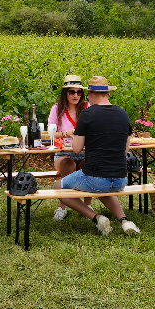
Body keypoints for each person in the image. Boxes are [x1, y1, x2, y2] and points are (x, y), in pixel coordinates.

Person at [52, 76, 140, 236]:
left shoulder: (87, 113)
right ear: (108, 94)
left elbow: (77, 149)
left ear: (91, 94)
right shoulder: (123, 114)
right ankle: (125, 221)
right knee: (104, 185)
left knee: (59, 187)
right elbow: (125, 149)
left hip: (96, 178)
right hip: (121, 179)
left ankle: (97, 218)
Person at [48, 74, 90, 220]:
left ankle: (88, 205)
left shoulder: (87, 108)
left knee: (89, 164)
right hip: (63, 153)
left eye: (79, 92)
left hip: (83, 152)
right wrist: (66, 133)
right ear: (65, 93)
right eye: (71, 92)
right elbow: (50, 134)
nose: (75, 95)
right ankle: (62, 206)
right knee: (69, 163)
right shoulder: (56, 109)